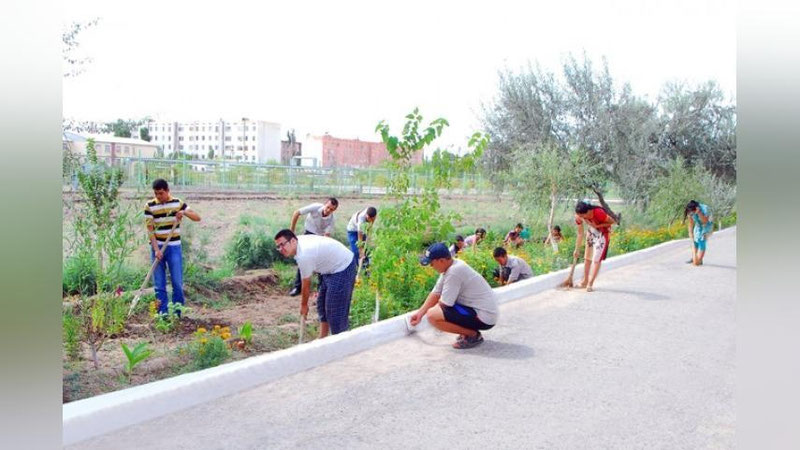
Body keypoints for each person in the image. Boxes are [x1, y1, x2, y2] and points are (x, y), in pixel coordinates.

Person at [409, 243, 499, 349]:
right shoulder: (453, 266)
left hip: (484, 317)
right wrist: (420, 314)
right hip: (481, 311)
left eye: (432, 263)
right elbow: (436, 293)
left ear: (441, 260)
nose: (431, 267)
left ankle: (473, 335)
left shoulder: (454, 272)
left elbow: (444, 303)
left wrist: (432, 316)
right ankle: (469, 332)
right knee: (434, 312)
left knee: (432, 316)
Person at [274, 229, 357, 337]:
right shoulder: (299, 244)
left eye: (282, 244)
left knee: (335, 312)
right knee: (321, 305)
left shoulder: (304, 254)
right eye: (278, 246)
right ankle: (323, 338)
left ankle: (341, 341)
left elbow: (306, 284)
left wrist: (304, 306)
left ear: (293, 241)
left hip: (342, 267)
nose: (281, 249)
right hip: (329, 268)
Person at [144, 179, 201, 315]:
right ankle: (162, 315)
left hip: (174, 247)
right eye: (156, 194)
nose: (159, 196)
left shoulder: (178, 203)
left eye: (161, 193)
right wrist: (156, 249)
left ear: (168, 191)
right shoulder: (149, 206)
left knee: (177, 282)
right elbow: (150, 230)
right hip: (157, 248)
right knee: (159, 285)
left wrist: (184, 213)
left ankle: (177, 314)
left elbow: (197, 217)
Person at [287, 198, 339, 296]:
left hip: (319, 238)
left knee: (321, 260)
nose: (328, 210)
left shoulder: (332, 220)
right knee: (303, 259)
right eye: (328, 207)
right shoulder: (315, 207)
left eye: (331, 209)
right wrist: (291, 232)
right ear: (324, 204)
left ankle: (320, 289)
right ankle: (297, 287)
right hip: (308, 233)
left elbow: (326, 236)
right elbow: (296, 213)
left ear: (334, 210)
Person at [573, 201, 616, 292]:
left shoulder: (598, 213)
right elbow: (580, 233)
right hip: (592, 232)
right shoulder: (578, 216)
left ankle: (590, 283)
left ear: (588, 211)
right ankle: (584, 281)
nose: (581, 218)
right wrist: (577, 249)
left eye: (583, 216)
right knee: (587, 257)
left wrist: (598, 225)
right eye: (579, 216)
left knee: (596, 259)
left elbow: (612, 222)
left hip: (603, 233)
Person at [683, 200, 714, 266]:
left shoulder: (705, 209)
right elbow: (691, 224)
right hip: (698, 225)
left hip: (707, 225)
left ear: (696, 209)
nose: (691, 214)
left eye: (692, 213)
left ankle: (698, 259)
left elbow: (705, 221)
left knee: (701, 240)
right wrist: (691, 235)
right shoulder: (690, 211)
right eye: (690, 213)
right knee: (695, 241)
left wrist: (699, 213)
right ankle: (696, 257)